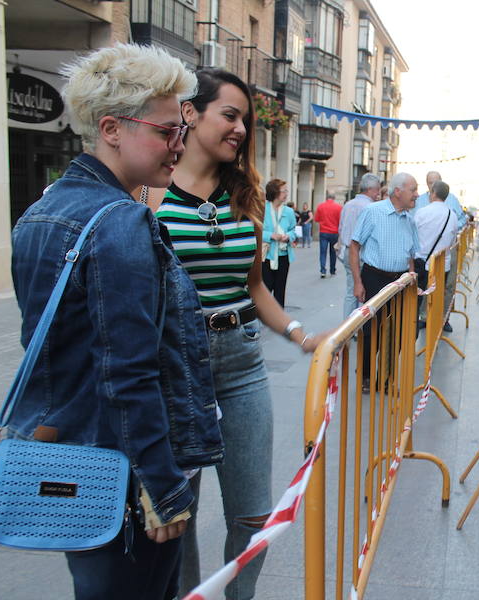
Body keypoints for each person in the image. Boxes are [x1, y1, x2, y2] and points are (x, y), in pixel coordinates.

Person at [9, 43, 223, 600]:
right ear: (111, 127)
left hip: (69, 453)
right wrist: (161, 483)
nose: (179, 146)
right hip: (124, 474)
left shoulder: (43, 208)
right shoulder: (121, 221)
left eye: (182, 131)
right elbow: (127, 370)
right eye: (166, 131)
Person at [151, 68, 325, 600]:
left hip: (243, 363)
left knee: (252, 513)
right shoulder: (148, 193)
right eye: (230, 115)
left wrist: (300, 334)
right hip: (173, 366)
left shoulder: (244, 196)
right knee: (177, 514)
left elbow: (254, 287)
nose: (241, 129)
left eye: (245, 121)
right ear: (190, 113)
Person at [349, 172, 419, 389]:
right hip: (374, 278)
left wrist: (411, 280)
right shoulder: (373, 211)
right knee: (371, 331)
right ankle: (367, 376)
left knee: (398, 331)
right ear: (398, 191)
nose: (417, 195)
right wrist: (358, 282)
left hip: (399, 283)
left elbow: (411, 255)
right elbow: (354, 246)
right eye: (413, 190)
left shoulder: (410, 219)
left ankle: (386, 377)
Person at [414, 180, 459, 331]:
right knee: (437, 296)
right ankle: (436, 322)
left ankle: (420, 319)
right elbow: (452, 240)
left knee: (419, 296)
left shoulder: (422, 212)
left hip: (422, 262)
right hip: (442, 265)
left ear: (432, 193)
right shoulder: (452, 215)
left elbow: (413, 236)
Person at [337, 172, 379, 318]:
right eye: (377, 190)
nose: (378, 194)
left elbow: (341, 228)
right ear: (370, 189)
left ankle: (347, 325)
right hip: (362, 253)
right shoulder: (370, 207)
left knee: (351, 290)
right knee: (362, 290)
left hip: (348, 250)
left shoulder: (348, 205)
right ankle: (356, 325)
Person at [261, 179, 296, 307]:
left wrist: (288, 236)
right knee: (266, 287)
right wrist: (271, 235)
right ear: (275, 192)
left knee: (280, 289)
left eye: (286, 191)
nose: (286, 194)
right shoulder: (263, 209)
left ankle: (279, 318)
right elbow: (256, 230)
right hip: (267, 255)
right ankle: (264, 314)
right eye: (284, 191)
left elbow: (293, 230)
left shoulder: (289, 212)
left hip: (283, 255)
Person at [314, 192, 341, 277]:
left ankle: (323, 270)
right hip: (334, 232)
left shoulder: (320, 206)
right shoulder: (339, 207)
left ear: (327, 198)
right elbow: (341, 221)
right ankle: (332, 270)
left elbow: (316, 219)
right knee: (333, 252)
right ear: (334, 198)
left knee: (323, 252)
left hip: (324, 231)